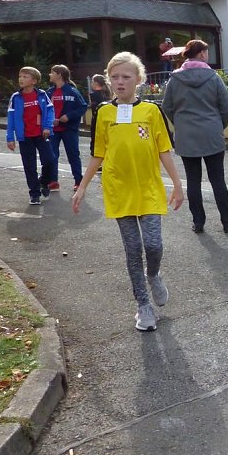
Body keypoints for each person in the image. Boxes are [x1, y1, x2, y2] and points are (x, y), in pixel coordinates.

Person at [73, 52, 184, 332]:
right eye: (115, 77)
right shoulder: (103, 113)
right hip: (118, 187)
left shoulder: (151, 111)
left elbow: (164, 150)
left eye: (126, 76)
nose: (120, 82)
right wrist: (82, 186)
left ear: (138, 80)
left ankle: (154, 274)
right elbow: (98, 153)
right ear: (109, 80)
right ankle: (143, 306)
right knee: (133, 249)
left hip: (148, 187)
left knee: (154, 244)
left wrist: (178, 184)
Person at [162, 39, 228, 234]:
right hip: (212, 133)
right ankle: (227, 222)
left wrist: (180, 124)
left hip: (186, 136)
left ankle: (199, 222)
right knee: (218, 179)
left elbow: (167, 107)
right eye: (207, 52)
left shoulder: (174, 79)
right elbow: (226, 106)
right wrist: (220, 125)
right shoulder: (213, 77)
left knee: (193, 181)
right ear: (202, 54)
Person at [6, 67, 57, 204]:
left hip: (41, 134)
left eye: (25, 77)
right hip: (25, 136)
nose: (21, 79)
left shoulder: (41, 95)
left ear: (34, 81)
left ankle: (43, 182)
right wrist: (10, 138)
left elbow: (50, 110)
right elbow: (10, 118)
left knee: (50, 160)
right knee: (29, 166)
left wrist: (47, 127)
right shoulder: (16, 97)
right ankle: (34, 194)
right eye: (20, 76)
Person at [46, 65, 88, 192]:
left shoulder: (72, 91)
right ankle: (53, 181)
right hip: (54, 130)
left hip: (69, 129)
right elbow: (44, 110)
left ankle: (78, 182)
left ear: (59, 75)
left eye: (52, 73)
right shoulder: (49, 92)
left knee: (73, 155)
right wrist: (48, 121)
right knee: (52, 155)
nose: (49, 75)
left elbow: (83, 107)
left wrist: (68, 117)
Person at [88, 73, 110, 158]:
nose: (91, 84)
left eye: (92, 82)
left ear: (96, 83)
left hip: (98, 120)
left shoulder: (94, 95)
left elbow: (94, 108)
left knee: (97, 141)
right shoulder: (107, 94)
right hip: (106, 120)